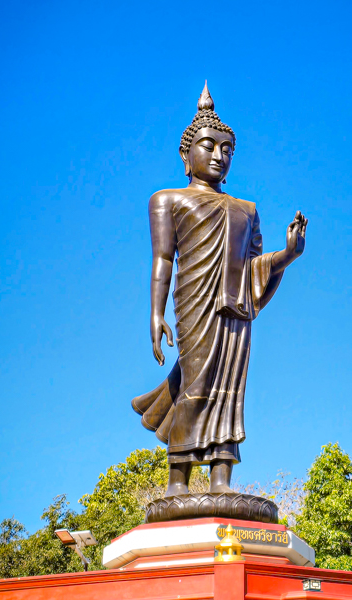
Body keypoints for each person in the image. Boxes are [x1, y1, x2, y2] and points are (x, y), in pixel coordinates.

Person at [132, 83, 308, 497]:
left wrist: (289, 254)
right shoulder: (167, 200)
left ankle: (221, 478)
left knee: (230, 390)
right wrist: (155, 313)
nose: (218, 155)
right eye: (208, 146)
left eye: (227, 149)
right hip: (195, 304)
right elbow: (163, 259)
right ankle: (178, 480)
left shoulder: (245, 210)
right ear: (186, 155)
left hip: (235, 309)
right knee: (194, 385)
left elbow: (254, 267)